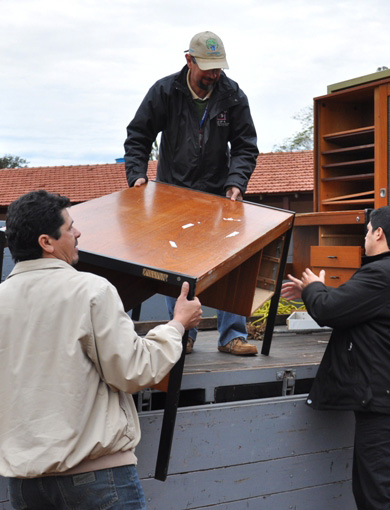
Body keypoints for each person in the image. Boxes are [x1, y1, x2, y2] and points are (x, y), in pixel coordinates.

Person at [0, 190, 202, 510]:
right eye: (71, 227)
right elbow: (134, 371)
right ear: (47, 242)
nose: (78, 233)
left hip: (25, 489)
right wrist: (176, 326)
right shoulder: (91, 291)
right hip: (97, 482)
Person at [124, 30, 259, 356]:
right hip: (174, 193)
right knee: (177, 267)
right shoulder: (165, 91)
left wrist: (235, 183)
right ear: (189, 60)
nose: (214, 75)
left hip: (218, 194)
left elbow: (245, 146)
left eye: (218, 68)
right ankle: (182, 335)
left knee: (231, 259)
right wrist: (137, 176)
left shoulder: (232, 95)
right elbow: (138, 136)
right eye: (208, 69)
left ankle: (232, 336)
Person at [281, 206, 390, 510]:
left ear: (378, 233)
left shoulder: (380, 274)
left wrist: (314, 287)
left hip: (381, 408)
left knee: (376, 494)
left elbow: (330, 310)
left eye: (366, 231)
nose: (365, 238)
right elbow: (353, 306)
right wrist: (317, 291)